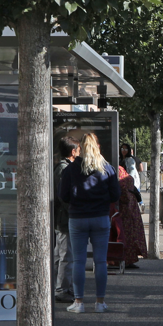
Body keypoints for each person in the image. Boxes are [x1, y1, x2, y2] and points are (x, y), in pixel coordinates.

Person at [58, 132, 121, 313]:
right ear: (96, 147)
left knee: (79, 260)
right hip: (100, 217)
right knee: (100, 261)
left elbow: (63, 195)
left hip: (77, 218)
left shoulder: (70, 170)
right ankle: (100, 302)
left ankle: (78, 302)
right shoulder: (107, 169)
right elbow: (116, 194)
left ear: (80, 149)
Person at [51, 136, 79, 303]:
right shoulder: (64, 169)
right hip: (65, 218)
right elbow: (64, 196)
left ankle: (58, 286)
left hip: (62, 217)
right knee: (65, 254)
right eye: (78, 150)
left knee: (59, 253)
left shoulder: (62, 167)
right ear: (72, 151)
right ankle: (62, 289)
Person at [113, 162, 148, 268]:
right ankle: (128, 259)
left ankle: (123, 258)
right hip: (131, 207)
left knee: (124, 233)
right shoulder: (121, 171)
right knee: (130, 234)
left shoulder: (116, 171)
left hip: (124, 208)